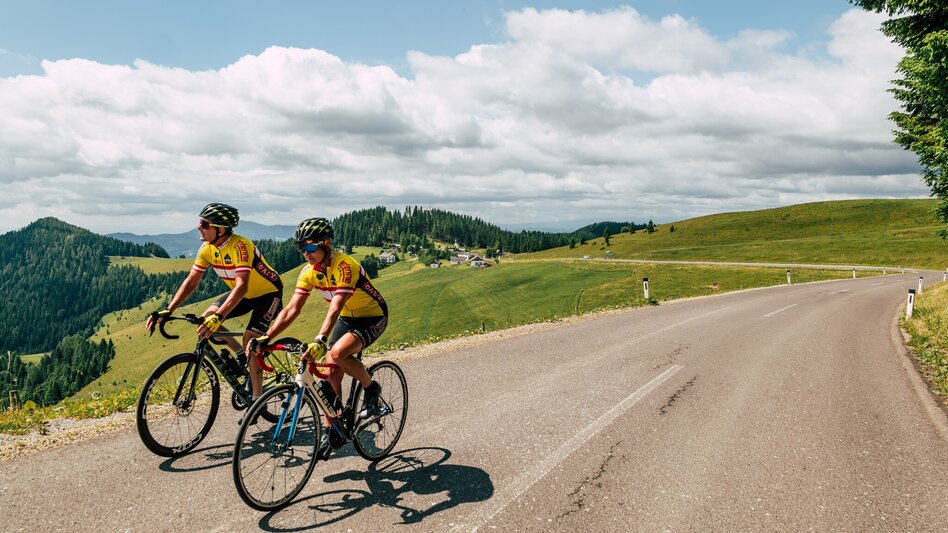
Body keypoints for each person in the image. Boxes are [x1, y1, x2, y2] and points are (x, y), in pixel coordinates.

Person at [249, 217, 386, 458]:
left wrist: (320, 340)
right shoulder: (309, 272)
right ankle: (333, 425)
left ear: (326, 243)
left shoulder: (345, 265)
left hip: (372, 316)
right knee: (331, 372)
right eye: (301, 249)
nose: (306, 253)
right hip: (347, 318)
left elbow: (335, 306)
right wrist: (266, 336)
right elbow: (292, 309)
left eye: (311, 247)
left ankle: (371, 388)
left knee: (336, 353)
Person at [145, 203, 283, 401]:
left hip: (268, 294)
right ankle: (240, 354)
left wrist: (220, 316)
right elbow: (191, 281)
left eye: (204, 224)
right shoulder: (207, 249)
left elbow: (242, 285)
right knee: (206, 320)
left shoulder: (241, 246)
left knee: (251, 339)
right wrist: (168, 309)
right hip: (243, 295)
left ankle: (257, 399)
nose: (198, 227)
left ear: (221, 229)